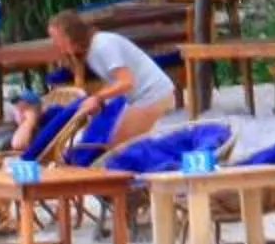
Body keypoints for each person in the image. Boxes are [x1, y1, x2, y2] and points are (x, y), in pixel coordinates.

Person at [48, 12, 179, 149]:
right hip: (141, 96)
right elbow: (114, 82)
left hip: (153, 94)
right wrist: (101, 100)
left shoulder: (102, 45)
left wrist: (97, 97)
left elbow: (126, 82)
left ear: (70, 37)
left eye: (56, 38)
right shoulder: (91, 51)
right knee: (116, 143)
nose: (55, 43)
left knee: (118, 147)